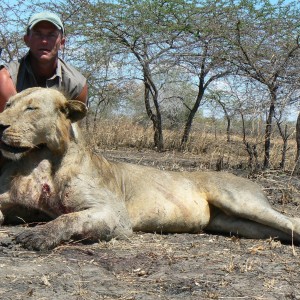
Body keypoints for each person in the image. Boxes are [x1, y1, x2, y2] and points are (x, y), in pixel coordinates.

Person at [0, 11, 88, 112]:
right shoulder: (6, 77)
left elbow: (72, 125)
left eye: (51, 35)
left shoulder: (77, 85)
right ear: (26, 40)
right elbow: (11, 121)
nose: (44, 41)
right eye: (38, 34)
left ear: (62, 43)